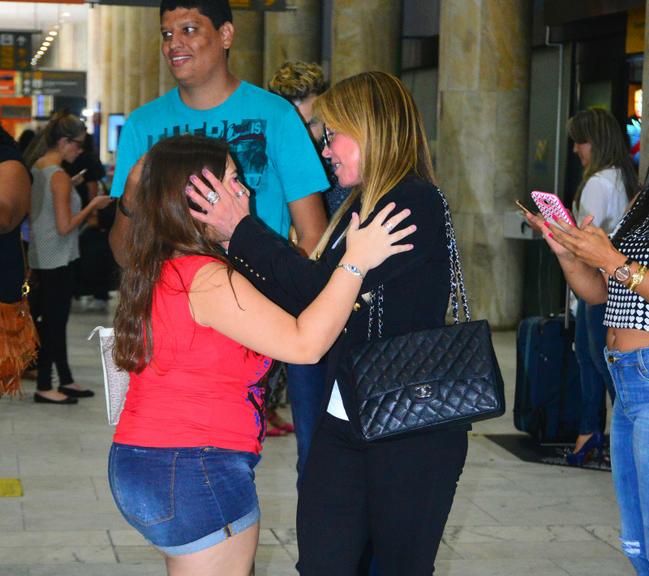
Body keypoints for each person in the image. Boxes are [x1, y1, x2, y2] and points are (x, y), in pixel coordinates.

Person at [187, 71, 469, 576]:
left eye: (333, 133)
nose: (325, 148)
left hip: (406, 426)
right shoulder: (364, 204)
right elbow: (314, 295)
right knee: (324, 557)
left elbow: (317, 287)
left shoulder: (412, 202)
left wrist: (242, 229)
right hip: (351, 412)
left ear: (371, 130)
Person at [108, 134, 414, 576]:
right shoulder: (207, 279)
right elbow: (304, 345)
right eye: (234, 179)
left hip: (146, 461)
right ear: (197, 197)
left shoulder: (160, 265)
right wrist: (355, 262)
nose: (245, 192)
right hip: (194, 466)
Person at [109, 0, 329, 267]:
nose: (173, 44)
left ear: (225, 35)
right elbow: (124, 256)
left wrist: (277, 291)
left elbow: (314, 234)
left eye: (189, 29)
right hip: (169, 300)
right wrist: (130, 197)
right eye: (166, 34)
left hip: (257, 300)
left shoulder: (278, 116)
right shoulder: (141, 125)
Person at [527, 177, 649, 574]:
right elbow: (599, 293)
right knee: (637, 543)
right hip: (627, 382)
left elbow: (619, 271)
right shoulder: (642, 199)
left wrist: (612, 260)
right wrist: (568, 254)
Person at [267, 60, 352, 478]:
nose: (310, 139)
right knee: (311, 443)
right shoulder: (265, 170)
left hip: (349, 314)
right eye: (296, 127)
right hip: (296, 312)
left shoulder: (346, 168)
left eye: (314, 124)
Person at [564, 108, 637, 464]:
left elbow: (587, 240)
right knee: (597, 361)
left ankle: (590, 431)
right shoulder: (626, 178)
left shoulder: (598, 182)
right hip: (618, 287)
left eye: (581, 141)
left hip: (603, 282)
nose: (577, 149)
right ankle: (589, 431)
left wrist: (562, 235)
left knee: (595, 361)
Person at [23, 112, 112, 404]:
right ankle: (46, 385)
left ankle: (65, 378)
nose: (80, 151)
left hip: (43, 254)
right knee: (54, 322)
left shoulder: (41, 167)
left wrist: (69, 184)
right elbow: (65, 226)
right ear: (63, 142)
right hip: (58, 257)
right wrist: (93, 206)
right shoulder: (58, 176)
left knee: (52, 320)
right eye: (78, 145)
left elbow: (45, 213)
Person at [63, 133, 114, 312]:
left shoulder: (70, 160)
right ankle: (97, 292)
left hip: (78, 211)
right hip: (85, 212)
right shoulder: (90, 159)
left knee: (82, 254)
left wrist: (92, 212)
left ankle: (79, 290)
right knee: (93, 255)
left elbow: (93, 187)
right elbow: (94, 187)